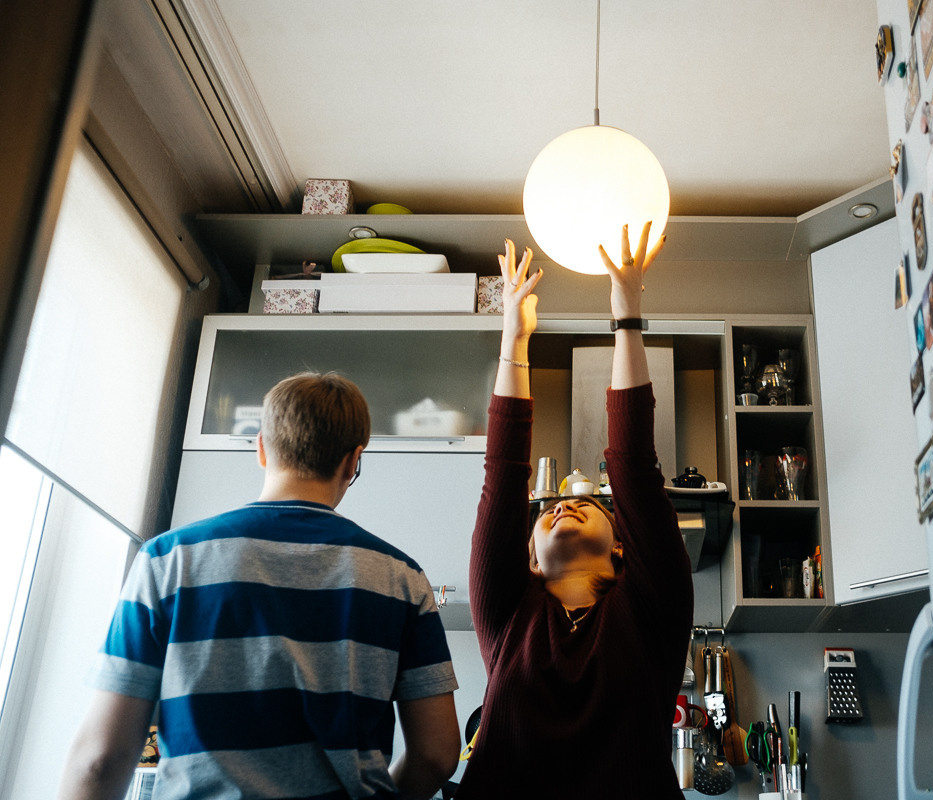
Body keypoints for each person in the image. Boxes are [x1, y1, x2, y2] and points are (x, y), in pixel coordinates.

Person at [58, 372, 461, 800]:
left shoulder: (168, 560)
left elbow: (101, 759)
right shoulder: (402, 578)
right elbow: (437, 755)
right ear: (353, 460)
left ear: (262, 448)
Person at [455, 223, 694, 798]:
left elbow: (634, 465)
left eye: (582, 503)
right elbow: (502, 478)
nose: (562, 504)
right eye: (550, 509)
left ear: (620, 545)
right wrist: (512, 340)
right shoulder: (507, 616)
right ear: (530, 558)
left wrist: (626, 313)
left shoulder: (651, 611)